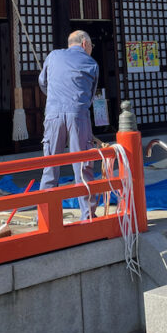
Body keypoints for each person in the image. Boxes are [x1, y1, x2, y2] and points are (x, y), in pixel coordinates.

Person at [38, 30, 100, 220]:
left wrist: (56, 99)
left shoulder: (53, 55)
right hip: (78, 115)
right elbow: (90, 94)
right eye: (91, 46)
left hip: (53, 115)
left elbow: (42, 82)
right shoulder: (92, 63)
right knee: (82, 167)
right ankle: (87, 215)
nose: (91, 49)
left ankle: (46, 218)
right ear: (84, 44)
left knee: (50, 166)